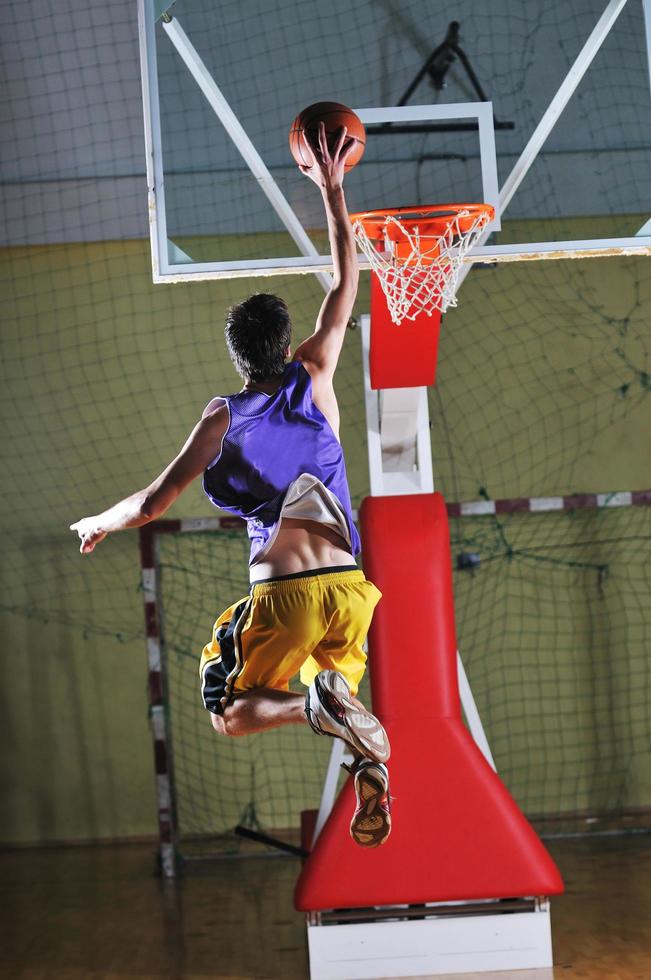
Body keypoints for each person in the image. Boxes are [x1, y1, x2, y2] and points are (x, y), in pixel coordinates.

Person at [70, 124, 391, 848]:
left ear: (237, 357)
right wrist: (332, 189)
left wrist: (101, 520)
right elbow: (345, 281)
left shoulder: (223, 415)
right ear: (286, 344)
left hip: (284, 598)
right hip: (352, 593)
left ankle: (311, 709)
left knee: (230, 709)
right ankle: (370, 775)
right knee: (345, 694)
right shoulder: (314, 374)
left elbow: (155, 502)